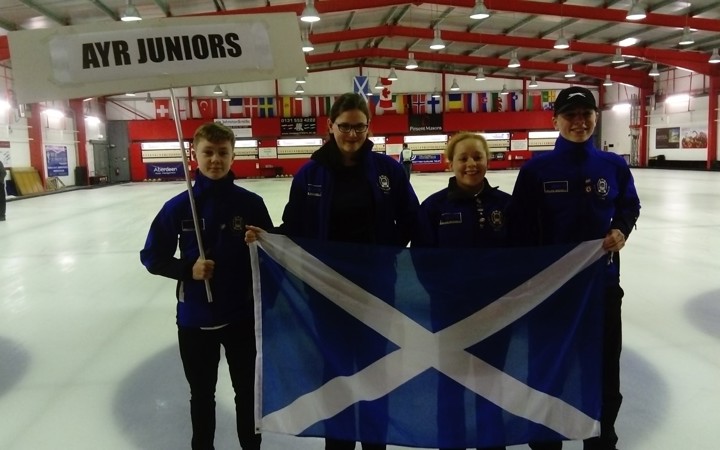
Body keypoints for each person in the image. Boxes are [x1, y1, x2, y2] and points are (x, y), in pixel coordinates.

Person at [247, 92, 419, 450]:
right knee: (336, 370)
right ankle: (338, 444)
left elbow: (412, 220)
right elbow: (295, 225)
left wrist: (388, 251)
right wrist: (267, 237)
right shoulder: (311, 173)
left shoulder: (388, 170)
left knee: (375, 371)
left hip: (376, 289)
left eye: (359, 126)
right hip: (327, 292)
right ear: (330, 126)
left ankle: (374, 443)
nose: (352, 134)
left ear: (368, 127)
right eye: (345, 126)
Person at [505, 86, 641, 450]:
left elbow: (629, 206)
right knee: (549, 367)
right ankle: (545, 439)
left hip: (601, 287)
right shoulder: (536, 170)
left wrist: (621, 229)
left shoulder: (613, 166)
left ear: (596, 118)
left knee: (603, 367)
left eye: (586, 115)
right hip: (551, 292)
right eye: (571, 115)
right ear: (556, 121)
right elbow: (519, 229)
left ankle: (601, 438)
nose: (579, 122)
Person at [140, 122, 273, 450]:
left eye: (222, 153)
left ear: (232, 155)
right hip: (195, 321)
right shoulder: (178, 207)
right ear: (194, 155)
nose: (215, 159)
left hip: (241, 317)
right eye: (208, 152)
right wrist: (188, 269)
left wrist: (261, 241)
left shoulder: (250, 203)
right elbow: (152, 257)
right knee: (201, 396)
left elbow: (274, 250)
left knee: (248, 395)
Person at [413, 132, 509, 450]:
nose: (471, 164)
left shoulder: (507, 206)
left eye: (477, 157)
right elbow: (422, 262)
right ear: (450, 162)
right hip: (449, 316)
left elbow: (524, 255)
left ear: (487, 160)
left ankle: (491, 444)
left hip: (496, 316)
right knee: (450, 386)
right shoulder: (434, 208)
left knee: (491, 384)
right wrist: (447, 298)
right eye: (463, 158)